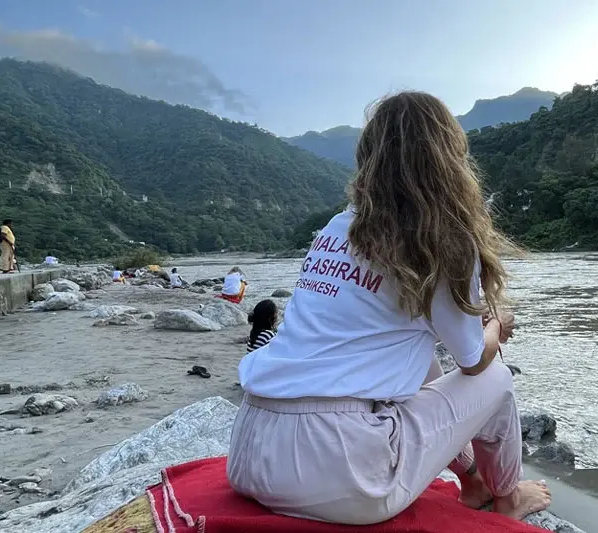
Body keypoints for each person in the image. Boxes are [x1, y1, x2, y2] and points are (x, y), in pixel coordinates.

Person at [228, 92, 551, 526]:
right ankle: (507, 498)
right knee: (496, 377)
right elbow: (473, 361)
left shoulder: (338, 226)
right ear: (450, 158)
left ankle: (473, 480)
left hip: (249, 449)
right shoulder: (442, 240)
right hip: (337, 472)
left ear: (369, 158)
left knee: (419, 359)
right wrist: (494, 326)